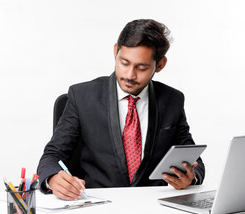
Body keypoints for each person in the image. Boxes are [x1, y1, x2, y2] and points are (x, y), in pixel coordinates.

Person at [37, 19, 205, 201]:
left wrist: (191, 177)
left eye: (141, 67)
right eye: (124, 62)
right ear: (115, 51)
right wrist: (53, 178)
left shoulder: (172, 100)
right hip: (98, 206)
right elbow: (52, 155)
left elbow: (194, 159)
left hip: (153, 209)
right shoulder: (82, 96)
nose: (129, 75)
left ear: (161, 64)